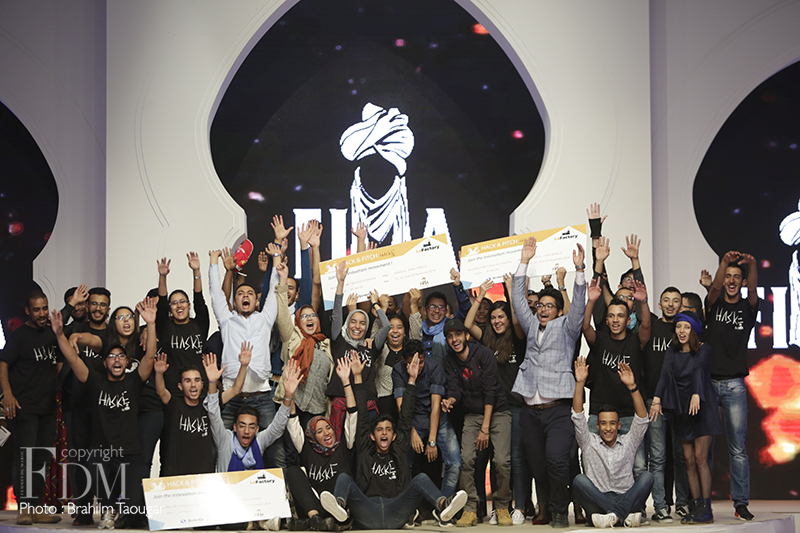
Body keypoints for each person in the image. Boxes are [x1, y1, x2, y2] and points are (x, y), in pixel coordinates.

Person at [319, 352, 468, 530]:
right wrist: (357, 376)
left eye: (388, 429)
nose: (384, 433)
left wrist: (412, 379)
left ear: (394, 436)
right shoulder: (365, 448)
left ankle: (443, 506)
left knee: (420, 478)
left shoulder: (399, 448)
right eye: (379, 430)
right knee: (344, 478)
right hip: (367, 511)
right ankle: (339, 507)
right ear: (372, 436)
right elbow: (362, 415)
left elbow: (406, 416)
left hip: (396, 511)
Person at [50, 298, 158, 529]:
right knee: (94, 467)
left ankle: (126, 510)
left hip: (130, 453)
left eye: (121, 357)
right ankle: (108, 509)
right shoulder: (95, 381)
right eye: (111, 357)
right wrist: (59, 335)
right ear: (105, 363)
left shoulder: (134, 381)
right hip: (102, 452)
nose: (116, 360)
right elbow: (73, 359)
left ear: (126, 361)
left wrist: (150, 324)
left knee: (134, 512)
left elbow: (149, 356)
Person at [510, 236, 586, 528]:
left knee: (557, 460)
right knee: (538, 465)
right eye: (540, 305)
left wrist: (579, 271)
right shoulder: (531, 326)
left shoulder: (567, 328)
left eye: (549, 306)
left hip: (558, 411)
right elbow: (519, 302)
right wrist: (524, 262)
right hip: (530, 410)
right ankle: (548, 507)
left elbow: (578, 308)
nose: (543, 309)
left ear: (558, 310)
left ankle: (559, 511)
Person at [463, 278, 529, 525]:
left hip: (514, 406)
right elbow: (468, 324)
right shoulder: (486, 340)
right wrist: (480, 296)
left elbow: (517, 320)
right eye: (493, 318)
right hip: (490, 407)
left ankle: (514, 506)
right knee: (491, 458)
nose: (497, 321)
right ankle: (494, 509)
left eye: (501, 317)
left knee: (511, 459)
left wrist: (511, 291)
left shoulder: (517, 338)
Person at [208, 248, 281, 465]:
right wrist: (213, 262)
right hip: (232, 396)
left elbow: (274, 290)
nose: (245, 296)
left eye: (250, 293)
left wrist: (276, 258)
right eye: (240, 294)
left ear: (257, 300)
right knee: (218, 451)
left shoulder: (265, 319)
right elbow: (216, 294)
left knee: (275, 452)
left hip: (261, 396)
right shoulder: (227, 320)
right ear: (235, 301)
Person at [651, 311, 721, 524]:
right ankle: (697, 507)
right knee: (688, 461)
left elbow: (699, 370)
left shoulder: (704, 349)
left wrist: (696, 393)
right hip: (682, 408)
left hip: (702, 406)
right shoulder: (672, 351)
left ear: (694, 330)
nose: (682, 331)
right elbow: (665, 374)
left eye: (687, 327)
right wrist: (656, 398)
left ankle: (706, 510)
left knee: (700, 459)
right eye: (679, 326)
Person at [441, 319, 512, 527]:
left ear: (466, 335)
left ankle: (502, 506)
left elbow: (491, 391)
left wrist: (485, 428)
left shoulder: (484, 354)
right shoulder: (449, 360)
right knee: (466, 460)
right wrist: (449, 400)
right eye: (450, 337)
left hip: (497, 411)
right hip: (472, 414)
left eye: (458, 334)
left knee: (502, 461)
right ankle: (470, 508)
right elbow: (454, 389)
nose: (454, 339)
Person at [0, 290, 63, 525]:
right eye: (36, 310)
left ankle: (36, 507)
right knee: (24, 458)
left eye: (44, 308)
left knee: (41, 458)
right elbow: (3, 363)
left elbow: (59, 362)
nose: (42, 313)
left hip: (47, 407)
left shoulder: (51, 332)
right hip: (24, 407)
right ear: (27, 311)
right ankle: (24, 508)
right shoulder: (19, 336)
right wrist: (7, 394)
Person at [705, 251, 759, 521]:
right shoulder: (714, 304)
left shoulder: (747, 309)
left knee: (737, 448)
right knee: (705, 447)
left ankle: (740, 503)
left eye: (737, 277)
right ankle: (701, 502)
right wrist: (725, 263)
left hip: (735, 384)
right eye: (728, 276)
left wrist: (753, 265)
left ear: (743, 281)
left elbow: (753, 292)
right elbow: (714, 289)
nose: (732, 281)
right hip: (709, 382)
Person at [571, 358, 653, 528]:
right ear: (598, 425)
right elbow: (577, 416)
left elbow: (642, 419)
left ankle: (613, 516)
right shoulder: (588, 442)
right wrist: (580, 383)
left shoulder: (628, 442)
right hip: (597, 501)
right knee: (579, 480)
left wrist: (632, 387)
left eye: (612, 423)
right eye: (603, 423)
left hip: (626, 497)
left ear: (619, 425)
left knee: (647, 477)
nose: (608, 428)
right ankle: (623, 516)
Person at [283, 356, 359, 532]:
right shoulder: (306, 447)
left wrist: (346, 381)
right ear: (313, 436)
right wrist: (290, 393)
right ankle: (315, 519)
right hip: (315, 504)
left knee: (344, 479)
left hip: (338, 505)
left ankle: (313, 522)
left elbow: (352, 414)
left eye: (328, 428)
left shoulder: (344, 444)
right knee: (293, 471)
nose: (326, 433)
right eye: (319, 431)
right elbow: (292, 421)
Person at [153, 346, 251, 477]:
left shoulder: (209, 405)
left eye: (197, 380)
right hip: (176, 476)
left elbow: (235, 390)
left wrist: (244, 366)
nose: (193, 384)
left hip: (203, 477)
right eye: (187, 381)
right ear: (180, 386)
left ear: (202, 384)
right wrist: (159, 373)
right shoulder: (175, 405)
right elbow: (161, 391)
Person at [327, 260, 390, 438]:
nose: (357, 326)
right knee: (340, 445)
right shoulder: (339, 342)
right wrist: (340, 283)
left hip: (367, 403)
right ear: (347, 324)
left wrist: (375, 304)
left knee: (368, 445)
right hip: (341, 402)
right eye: (353, 322)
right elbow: (337, 315)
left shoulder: (370, 347)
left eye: (362, 323)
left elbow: (386, 326)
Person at [392, 339, 461, 501]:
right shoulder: (398, 370)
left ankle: (444, 504)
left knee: (455, 463)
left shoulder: (434, 367)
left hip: (437, 419)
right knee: (403, 463)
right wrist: (412, 432)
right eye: (412, 363)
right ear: (404, 360)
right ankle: (407, 506)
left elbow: (436, 406)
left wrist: (432, 441)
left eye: (421, 362)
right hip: (412, 420)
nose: (418, 366)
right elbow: (402, 407)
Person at [273, 260, 332, 428]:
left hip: (318, 408)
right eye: (304, 316)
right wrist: (283, 280)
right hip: (291, 404)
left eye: (312, 315)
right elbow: (282, 312)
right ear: (298, 321)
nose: (309, 318)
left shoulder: (326, 343)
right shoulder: (291, 336)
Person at [155, 252, 210, 396]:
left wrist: (196, 271)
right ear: (170, 309)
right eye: (174, 303)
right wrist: (162, 276)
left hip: (199, 388)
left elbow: (199, 300)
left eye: (182, 301)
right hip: (174, 389)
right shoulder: (166, 327)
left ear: (189, 305)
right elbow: (162, 303)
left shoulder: (199, 325)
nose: (179, 305)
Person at [416, 269, 471, 362]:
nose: (437, 311)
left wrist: (458, 286)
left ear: (446, 311)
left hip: (447, 370)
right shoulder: (418, 329)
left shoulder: (451, 325)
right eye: (432, 307)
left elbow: (465, 309)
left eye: (441, 307)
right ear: (425, 310)